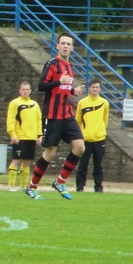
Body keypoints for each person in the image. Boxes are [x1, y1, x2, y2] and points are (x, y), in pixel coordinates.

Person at [25, 32, 85, 201]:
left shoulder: (70, 66)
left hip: (67, 114)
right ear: (57, 46)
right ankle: (32, 187)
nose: (65, 46)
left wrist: (73, 90)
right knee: (50, 152)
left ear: (72, 48)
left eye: (68, 44)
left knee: (80, 147)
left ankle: (60, 181)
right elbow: (41, 85)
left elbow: (63, 88)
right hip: (52, 115)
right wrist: (59, 82)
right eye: (63, 43)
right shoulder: (52, 64)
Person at [6, 81, 42, 191]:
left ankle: (24, 185)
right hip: (20, 137)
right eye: (23, 89)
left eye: (27, 89)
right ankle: (11, 185)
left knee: (27, 161)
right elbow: (10, 119)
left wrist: (39, 135)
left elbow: (38, 120)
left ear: (30, 91)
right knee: (16, 160)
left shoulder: (35, 104)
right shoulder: (15, 103)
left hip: (31, 137)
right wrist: (12, 134)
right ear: (19, 90)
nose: (25, 91)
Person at [75, 80, 109, 192]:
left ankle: (98, 187)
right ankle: (80, 186)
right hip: (85, 139)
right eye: (93, 87)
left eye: (97, 87)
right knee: (83, 164)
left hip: (99, 139)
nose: (95, 89)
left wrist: (101, 131)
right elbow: (78, 121)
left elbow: (105, 120)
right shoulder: (82, 103)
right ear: (89, 88)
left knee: (98, 164)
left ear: (100, 89)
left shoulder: (104, 103)